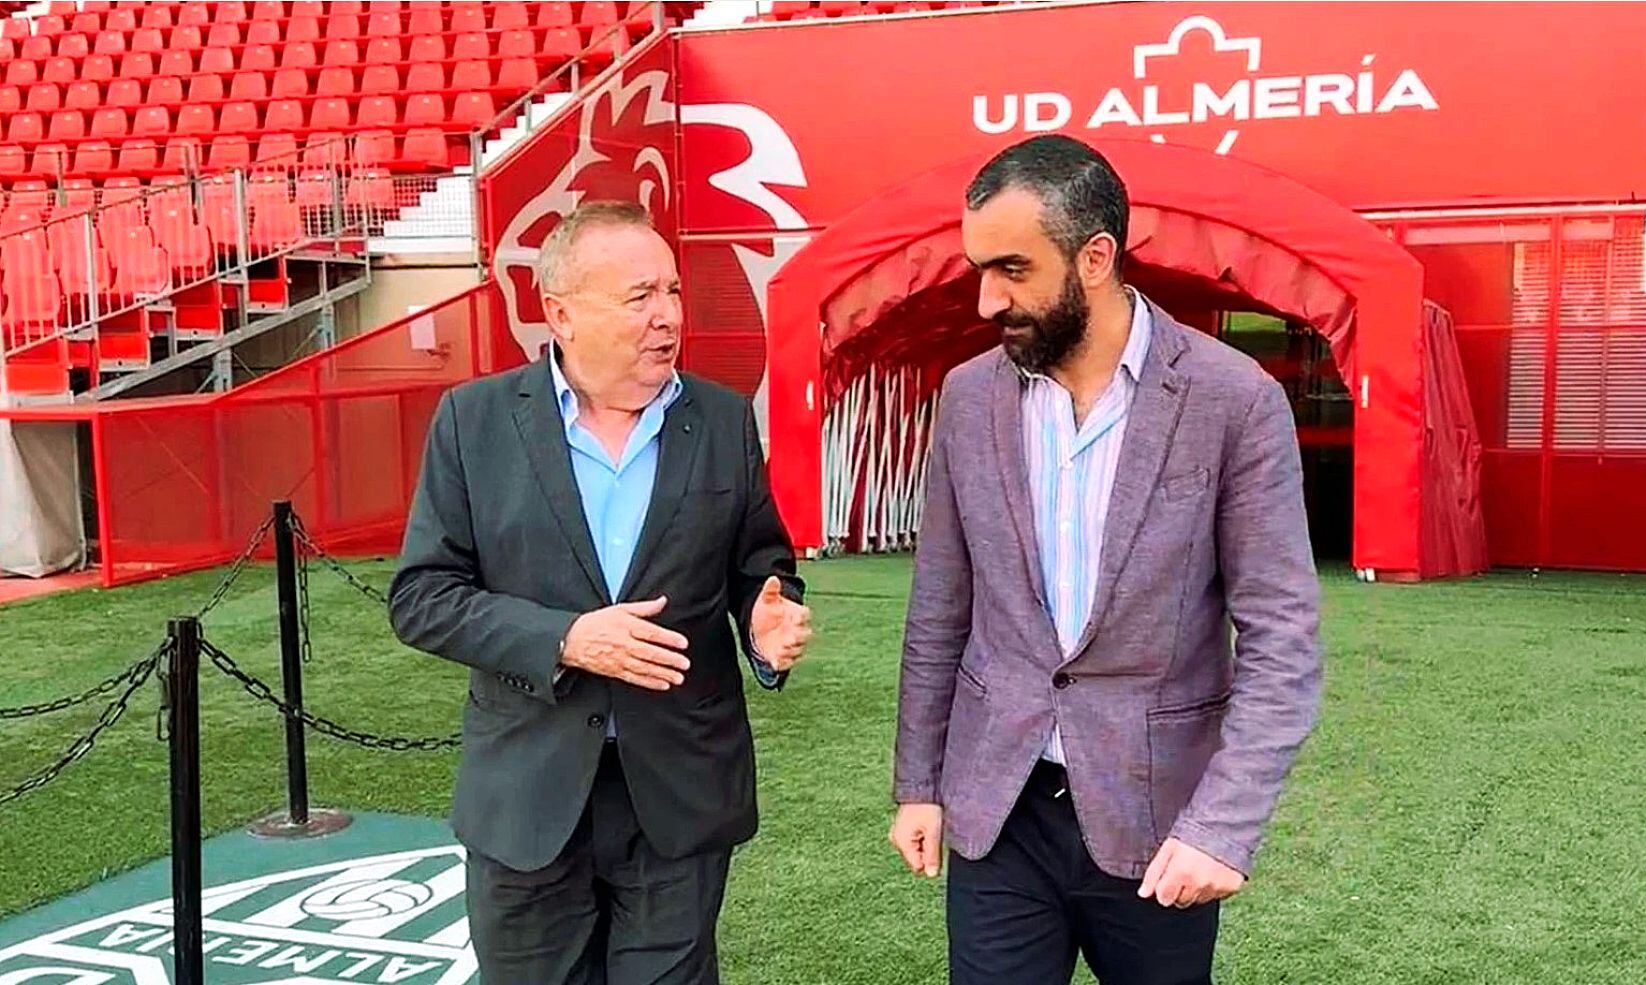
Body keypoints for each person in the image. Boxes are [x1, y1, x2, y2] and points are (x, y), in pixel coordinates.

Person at [888, 135, 1323, 984]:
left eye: (1011, 269)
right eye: (978, 269)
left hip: (1159, 817)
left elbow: (1282, 638)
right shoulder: (970, 396)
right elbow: (940, 605)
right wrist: (918, 780)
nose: (985, 299)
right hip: (998, 807)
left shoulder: (1233, 399)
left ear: (1095, 258)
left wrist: (1222, 828)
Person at [389, 201, 813, 985]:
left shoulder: (720, 421)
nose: (667, 317)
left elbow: (760, 563)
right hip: (527, 799)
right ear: (561, 312)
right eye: (640, 296)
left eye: (674, 292)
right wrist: (565, 638)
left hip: (678, 796)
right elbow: (422, 595)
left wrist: (766, 613)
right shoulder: (473, 422)